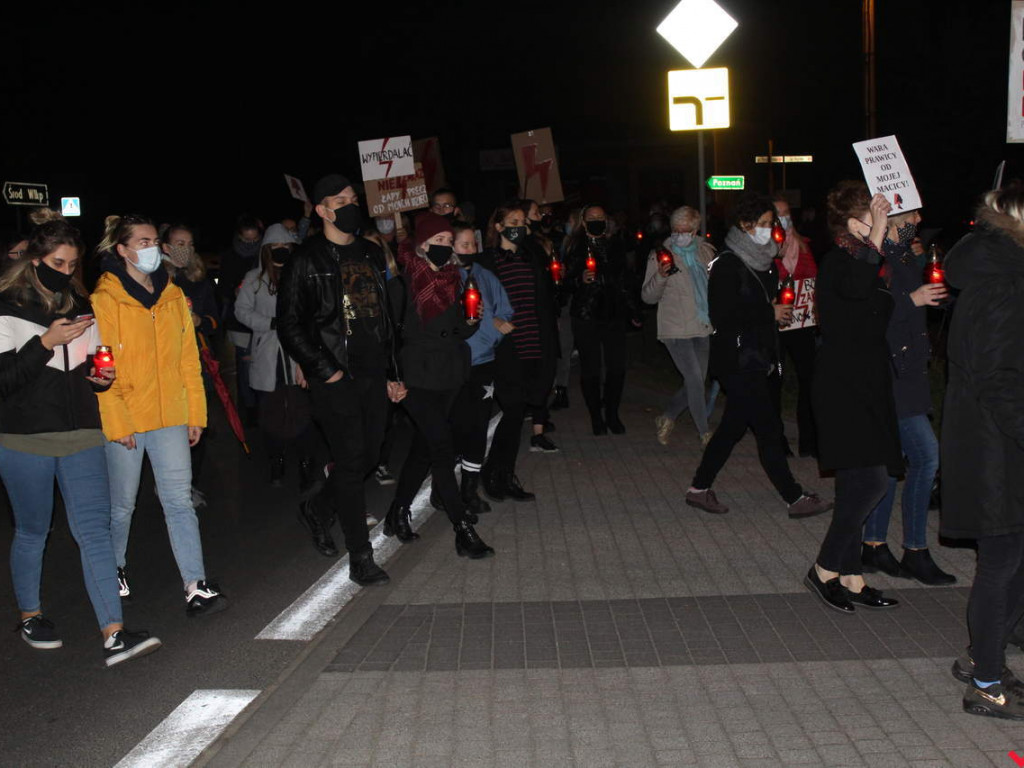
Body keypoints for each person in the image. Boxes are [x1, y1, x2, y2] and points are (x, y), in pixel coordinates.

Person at [0, 216, 162, 665]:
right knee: (34, 530)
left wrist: (100, 377)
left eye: (72, 263)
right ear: (36, 259)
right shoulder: (7, 306)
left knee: (94, 530)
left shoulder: (82, 301)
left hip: (83, 434)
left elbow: (91, 368)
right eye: (57, 262)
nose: (66, 270)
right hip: (25, 438)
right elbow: (5, 381)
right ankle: (31, 614)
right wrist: (46, 342)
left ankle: (114, 631)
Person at [92, 214, 226, 616]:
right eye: (144, 241)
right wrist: (118, 422)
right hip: (129, 416)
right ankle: (112, 570)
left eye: (154, 241)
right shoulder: (105, 298)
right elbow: (103, 363)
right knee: (122, 505)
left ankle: (194, 583)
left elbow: (188, 359)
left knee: (178, 500)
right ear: (123, 249)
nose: (153, 248)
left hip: (171, 413)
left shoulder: (172, 295)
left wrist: (195, 414)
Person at [276, 174, 405, 585]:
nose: (351, 204)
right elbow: (290, 324)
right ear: (322, 210)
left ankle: (317, 507)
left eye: (353, 198)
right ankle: (360, 557)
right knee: (351, 461)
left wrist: (392, 373)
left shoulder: (370, 252)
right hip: (334, 376)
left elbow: (387, 318)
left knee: (368, 457)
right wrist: (324, 369)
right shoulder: (306, 259)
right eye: (340, 200)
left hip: (372, 371)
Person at [686, 193, 831, 519]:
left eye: (771, 224)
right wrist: (768, 313)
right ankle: (794, 497)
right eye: (764, 224)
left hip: (756, 356)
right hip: (736, 360)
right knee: (768, 429)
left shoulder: (765, 262)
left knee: (733, 427)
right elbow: (723, 315)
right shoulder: (726, 263)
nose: (770, 230)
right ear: (745, 224)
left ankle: (698, 488)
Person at [941, 184, 1024, 718]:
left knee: (1013, 560)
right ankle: (987, 685)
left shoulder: (999, 270)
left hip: (996, 441)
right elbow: (1000, 378)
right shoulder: (1003, 282)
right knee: (1001, 562)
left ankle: (981, 661)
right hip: (997, 447)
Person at [805, 183, 900, 614]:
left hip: (866, 381)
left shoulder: (863, 260)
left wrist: (891, 236)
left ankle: (850, 574)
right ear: (853, 222)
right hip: (843, 385)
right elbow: (860, 291)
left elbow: (876, 303)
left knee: (856, 484)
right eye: (872, 216)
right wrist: (878, 236)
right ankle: (825, 568)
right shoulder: (837, 262)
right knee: (873, 480)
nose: (879, 223)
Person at [382, 213, 493, 557]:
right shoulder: (403, 283)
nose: (445, 247)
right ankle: (463, 528)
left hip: (449, 375)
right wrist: (393, 375)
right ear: (423, 244)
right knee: (442, 448)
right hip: (417, 377)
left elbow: (458, 329)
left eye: (449, 241)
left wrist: (471, 321)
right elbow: (387, 335)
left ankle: (396, 512)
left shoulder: (455, 281)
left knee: (424, 448)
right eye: (439, 241)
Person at [860, 209, 956, 586]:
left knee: (893, 463)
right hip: (892, 374)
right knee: (926, 456)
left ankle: (874, 544)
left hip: (908, 372)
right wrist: (911, 300)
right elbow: (868, 313)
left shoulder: (902, 254)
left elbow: (920, 297)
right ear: (892, 220)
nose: (918, 218)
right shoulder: (876, 258)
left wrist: (936, 292)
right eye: (910, 215)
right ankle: (914, 550)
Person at [478, 202, 556, 500]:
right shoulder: (486, 261)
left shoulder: (532, 256)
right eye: (513, 220)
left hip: (533, 342)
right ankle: (495, 473)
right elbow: (475, 297)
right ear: (498, 227)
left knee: (518, 412)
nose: (520, 226)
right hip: (505, 347)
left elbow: (544, 300)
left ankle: (502, 474)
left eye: (523, 221)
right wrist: (493, 320)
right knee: (512, 411)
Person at [234, 223, 317, 489]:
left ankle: (306, 464)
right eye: (275, 247)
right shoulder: (254, 279)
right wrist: (270, 323)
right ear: (266, 250)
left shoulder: (302, 275)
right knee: (270, 414)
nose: (281, 251)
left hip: (298, 355)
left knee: (302, 411)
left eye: (286, 246)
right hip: (268, 354)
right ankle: (276, 461)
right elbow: (241, 311)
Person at [448, 220, 514, 517]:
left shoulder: (485, 276)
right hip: (452, 364)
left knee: (477, 426)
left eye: (473, 244)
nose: (470, 250)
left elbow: (505, 312)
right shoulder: (443, 278)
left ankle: (469, 490)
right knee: (454, 426)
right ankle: (444, 488)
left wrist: (493, 333)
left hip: (483, 361)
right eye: (464, 245)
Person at [564, 204, 640, 435]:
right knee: (591, 368)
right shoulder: (575, 246)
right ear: (584, 222)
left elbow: (624, 281)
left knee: (617, 367)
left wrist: (633, 310)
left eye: (601, 217)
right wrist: (579, 280)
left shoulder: (616, 244)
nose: (598, 220)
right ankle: (596, 416)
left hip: (613, 312)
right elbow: (563, 282)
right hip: (587, 314)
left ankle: (612, 413)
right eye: (592, 218)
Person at [642, 205, 714, 446]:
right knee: (694, 380)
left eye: (685, 230)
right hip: (674, 329)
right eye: (676, 230)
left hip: (702, 325)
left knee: (695, 383)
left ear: (695, 231)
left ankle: (668, 416)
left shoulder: (706, 252)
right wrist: (661, 277)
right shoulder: (661, 255)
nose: (680, 235)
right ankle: (705, 433)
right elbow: (647, 297)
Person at [161, 224, 219, 507]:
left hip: (194, 364)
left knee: (197, 426)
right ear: (165, 246)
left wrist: (200, 322)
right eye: (178, 242)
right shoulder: (154, 279)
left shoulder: (200, 281)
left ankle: (191, 483)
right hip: (163, 364)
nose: (184, 248)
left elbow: (215, 321)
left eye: (189, 243)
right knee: (169, 428)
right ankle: (171, 485)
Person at [771, 195, 819, 458]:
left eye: (786, 212)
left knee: (809, 380)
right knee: (774, 382)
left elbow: (814, 277)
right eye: (778, 214)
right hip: (777, 322)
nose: (784, 218)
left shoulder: (804, 244)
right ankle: (776, 440)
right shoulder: (766, 248)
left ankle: (809, 442)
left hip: (802, 322)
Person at [217, 215, 263, 424]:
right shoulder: (229, 257)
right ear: (239, 237)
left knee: (263, 364)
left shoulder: (264, 255)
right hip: (240, 323)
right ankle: (250, 408)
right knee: (245, 368)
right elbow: (222, 289)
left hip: (263, 319)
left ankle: (264, 404)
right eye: (247, 240)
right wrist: (235, 292)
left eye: (255, 240)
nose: (251, 244)